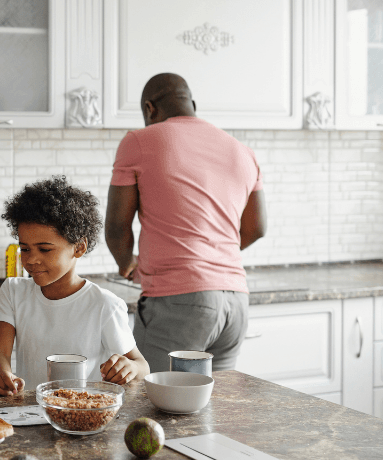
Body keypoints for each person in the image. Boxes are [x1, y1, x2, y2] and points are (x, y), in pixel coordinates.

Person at [105, 73, 266, 373]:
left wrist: (126, 263)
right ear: (191, 103)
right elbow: (257, 228)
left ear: (150, 109)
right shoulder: (242, 151)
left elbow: (116, 226)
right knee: (216, 407)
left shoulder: (139, 141)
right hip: (236, 302)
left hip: (179, 300)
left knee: (152, 404)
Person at [0, 176, 150, 396]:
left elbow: (141, 365)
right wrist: (2, 375)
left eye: (44, 249)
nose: (31, 260)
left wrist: (129, 368)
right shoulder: (14, 291)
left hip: (83, 413)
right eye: (25, 249)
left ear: (79, 248)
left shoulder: (104, 304)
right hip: (31, 411)